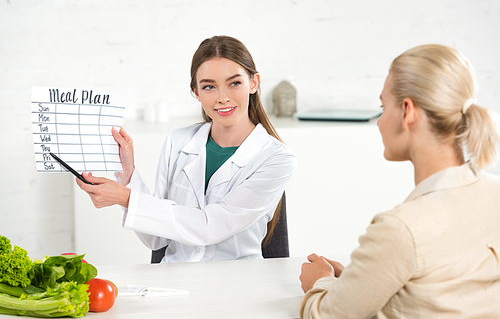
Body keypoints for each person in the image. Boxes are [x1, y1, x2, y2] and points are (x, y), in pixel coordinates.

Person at [299, 44, 500, 318]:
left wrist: (319, 282)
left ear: (407, 111)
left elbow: (325, 315)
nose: (380, 122)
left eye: (384, 107)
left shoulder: (400, 229)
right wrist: (361, 281)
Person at [77, 35, 296, 263]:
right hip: (174, 283)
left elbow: (208, 227)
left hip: (236, 286)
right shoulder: (178, 141)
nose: (222, 98)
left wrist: (125, 197)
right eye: (209, 86)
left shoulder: (277, 159)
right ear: (196, 92)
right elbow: (156, 239)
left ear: (253, 83)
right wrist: (128, 173)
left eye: (234, 83)